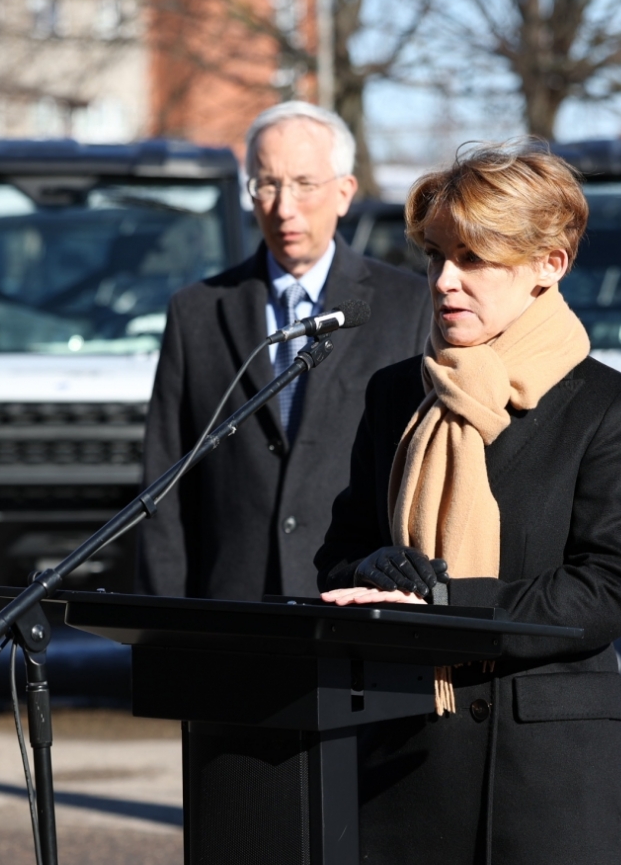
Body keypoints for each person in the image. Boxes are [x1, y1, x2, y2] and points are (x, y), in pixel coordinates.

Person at [315, 143, 621, 865]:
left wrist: (442, 608)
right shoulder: (397, 396)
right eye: (437, 256)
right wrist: (368, 568)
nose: (444, 282)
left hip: (546, 784)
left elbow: (605, 590)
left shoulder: (610, 407)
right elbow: (338, 556)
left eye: (475, 259)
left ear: (550, 264)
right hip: (405, 765)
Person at [137, 102, 431, 600]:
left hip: (357, 604)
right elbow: (165, 483)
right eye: (267, 185)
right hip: (232, 610)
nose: (283, 207)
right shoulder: (198, 312)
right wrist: (167, 625)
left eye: (303, 184)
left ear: (344, 192)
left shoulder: (410, 305)